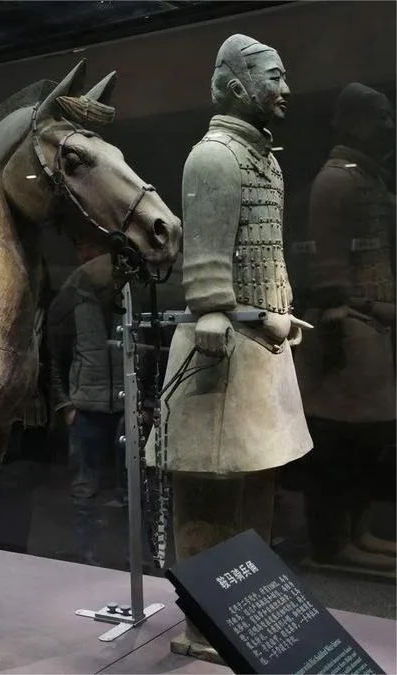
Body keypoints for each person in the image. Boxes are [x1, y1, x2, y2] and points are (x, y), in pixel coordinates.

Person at [146, 34, 312, 663]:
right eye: (275, 77)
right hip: (223, 347)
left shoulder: (262, 157)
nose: (286, 89)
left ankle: (251, 604)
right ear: (237, 86)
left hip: (263, 338)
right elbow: (208, 256)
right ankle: (203, 624)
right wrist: (212, 307)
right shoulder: (213, 157)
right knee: (211, 490)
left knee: (258, 482)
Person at [295, 83, 396, 570]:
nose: (389, 125)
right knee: (341, 442)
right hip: (350, 327)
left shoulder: (366, 178)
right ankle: (333, 543)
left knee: (368, 442)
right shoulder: (336, 180)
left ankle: (356, 531)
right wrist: (338, 311)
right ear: (354, 121)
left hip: (372, 324)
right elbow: (328, 260)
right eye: (380, 117)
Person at [47, 240, 124, 565]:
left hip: (126, 408)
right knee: (84, 489)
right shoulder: (71, 299)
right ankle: (85, 556)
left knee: (132, 489)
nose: (85, 256)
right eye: (81, 251)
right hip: (85, 412)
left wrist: (145, 404)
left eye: (92, 250)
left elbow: (151, 351)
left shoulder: (128, 295)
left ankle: (133, 559)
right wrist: (66, 407)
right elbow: (54, 359)